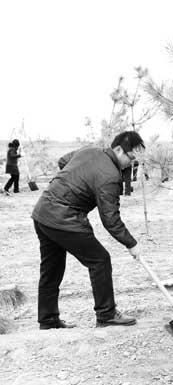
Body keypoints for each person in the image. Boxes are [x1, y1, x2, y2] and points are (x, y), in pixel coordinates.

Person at [32, 131, 145, 330]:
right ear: (118, 149)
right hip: (64, 219)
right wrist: (131, 243)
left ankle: (48, 320)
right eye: (130, 158)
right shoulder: (110, 176)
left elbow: (62, 161)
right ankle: (106, 314)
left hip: (43, 213)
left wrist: (73, 184)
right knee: (100, 260)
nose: (130, 163)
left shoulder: (89, 150)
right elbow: (111, 220)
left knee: (51, 268)